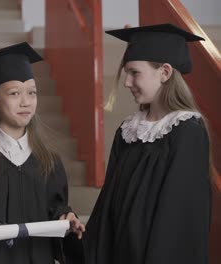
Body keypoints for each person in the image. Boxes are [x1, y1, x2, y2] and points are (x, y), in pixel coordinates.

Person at [84, 23, 214, 264]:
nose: (126, 82)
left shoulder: (187, 132)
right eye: (126, 73)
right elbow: (107, 207)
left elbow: (178, 221)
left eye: (135, 72)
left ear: (164, 72)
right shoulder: (128, 131)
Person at [0, 42, 86, 264]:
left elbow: (56, 207)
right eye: (14, 93)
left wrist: (66, 217)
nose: (25, 102)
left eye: (32, 92)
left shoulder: (48, 162)